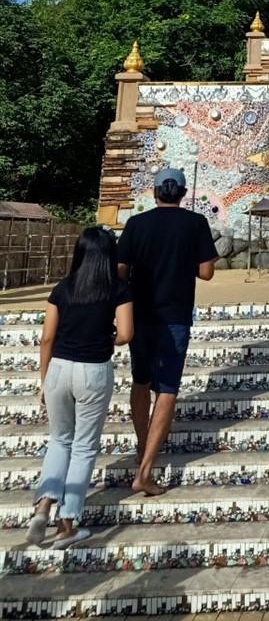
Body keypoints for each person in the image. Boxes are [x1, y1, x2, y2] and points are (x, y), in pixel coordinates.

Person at [28, 227, 134, 548]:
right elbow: (127, 333)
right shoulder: (118, 289)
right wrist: (106, 339)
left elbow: (47, 337)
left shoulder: (63, 288)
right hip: (93, 371)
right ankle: (67, 524)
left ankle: (43, 504)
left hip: (58, 368)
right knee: (84, 447)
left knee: (59, 441)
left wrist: (43, 382)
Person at [117, 167, 217, 495]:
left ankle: (142, 445)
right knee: (168, 387)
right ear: (183, 192)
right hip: (174, 312)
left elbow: (120, 269)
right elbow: (206, 273)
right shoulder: (195, 223)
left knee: (140, 380)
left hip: (141, 312)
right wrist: (179, 263)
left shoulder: (136, 224)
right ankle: (146, 469)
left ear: (155, 192)